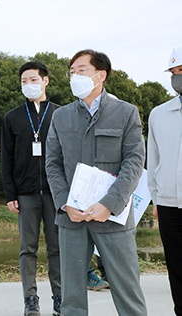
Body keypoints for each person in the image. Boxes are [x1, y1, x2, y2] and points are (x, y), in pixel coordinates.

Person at [45, 49, 147, 315]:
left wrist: (109, 204)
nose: (74, 76)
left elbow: (134, 162)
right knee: (71, 298)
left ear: (100, 75)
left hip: (112, 218)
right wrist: (65, 204)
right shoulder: (61, 116)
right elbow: (52, 164)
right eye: (71, 72)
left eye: (81, 70)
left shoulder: (126, 113)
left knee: (128, 294)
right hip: (72, 219)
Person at [1, 61, 61, 316]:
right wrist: (10, 193)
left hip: (55, 193)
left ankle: (60, 297)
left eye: (33, 80)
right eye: (24, 81)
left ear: (45, 81)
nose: (29, 85)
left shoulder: (61, 113)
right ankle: (30, 300)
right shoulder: (12, 117)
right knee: (28, 248)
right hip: (25, 193)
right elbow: (7, 158)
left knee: (57, 247)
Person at [147, 45, 182, 315]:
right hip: (170, 206)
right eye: (173, 72)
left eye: (181, 70)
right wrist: (156, 199)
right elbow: (153, 161)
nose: (176, 77)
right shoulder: (159, 114)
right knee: (177, 271)